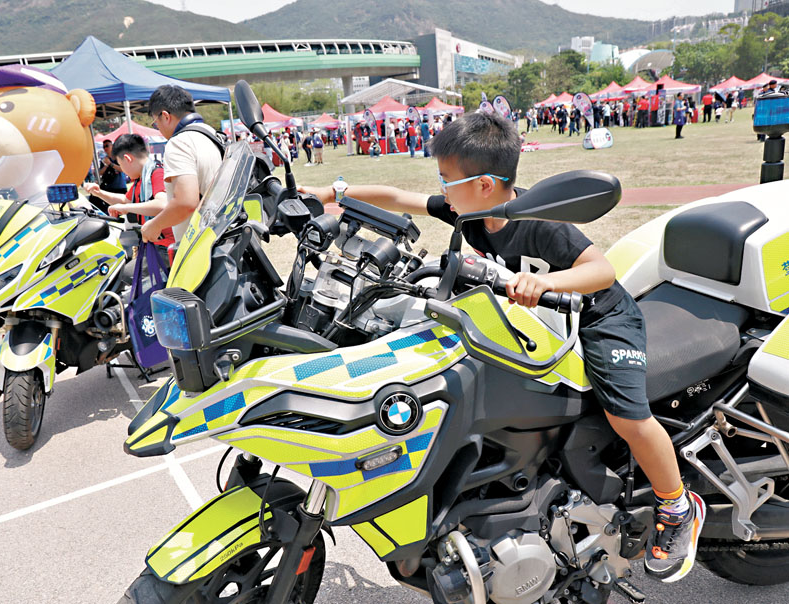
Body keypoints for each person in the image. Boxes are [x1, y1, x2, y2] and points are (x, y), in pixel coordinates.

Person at [299, 111, 705, 584]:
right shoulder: (468, 210)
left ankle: (677, 505)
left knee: (628, 416)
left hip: (599, 318)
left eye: (447, 179)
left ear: (486, 184)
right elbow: (397, 198)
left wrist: (545, 281)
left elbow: (601, 272)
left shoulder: (539, 222)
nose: (442, 188)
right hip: (541, 322)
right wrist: (334, 194)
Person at [143, 84, 224, 244]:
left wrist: (153, 226)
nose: (157, 128)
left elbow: (186, 202)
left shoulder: (179, 142)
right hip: (223, 235)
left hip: (201, 246)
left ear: (165, 116)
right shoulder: (211, 133)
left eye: (155, 123)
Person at [83, 133, 174, 250]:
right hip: (153, 243)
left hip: (166, 247)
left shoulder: (157, 173)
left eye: (120, 164)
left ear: (127, 159)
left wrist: (127, 208)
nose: (123, 170)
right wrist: (98, 193)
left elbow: (162, 205)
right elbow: (125, 200)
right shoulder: (142, 178)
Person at [93, 139, 127, 213]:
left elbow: (123, 169)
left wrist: (111, 164)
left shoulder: (118, 157)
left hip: (120, 187)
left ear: (112, 146)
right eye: (104, 146)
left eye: (107, 146)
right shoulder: (104, 159)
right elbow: (100, 173)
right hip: (109, 187)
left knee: (123, 208)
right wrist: (106, 165)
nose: (105, 148)